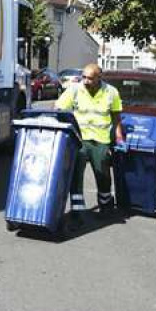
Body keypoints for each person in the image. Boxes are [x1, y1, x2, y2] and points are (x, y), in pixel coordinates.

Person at [55, 63, 125, 225]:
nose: (86, 81)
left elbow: (116, 117)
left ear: (99, 78)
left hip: (101, 141)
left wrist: (119, 137)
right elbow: (58, 108)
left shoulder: (111, 92)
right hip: (79, 140)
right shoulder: (74, 89)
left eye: (90, 78)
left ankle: (106, 206)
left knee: (103, 174)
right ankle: (77, 211)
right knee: (75, 175)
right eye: (84, 77)